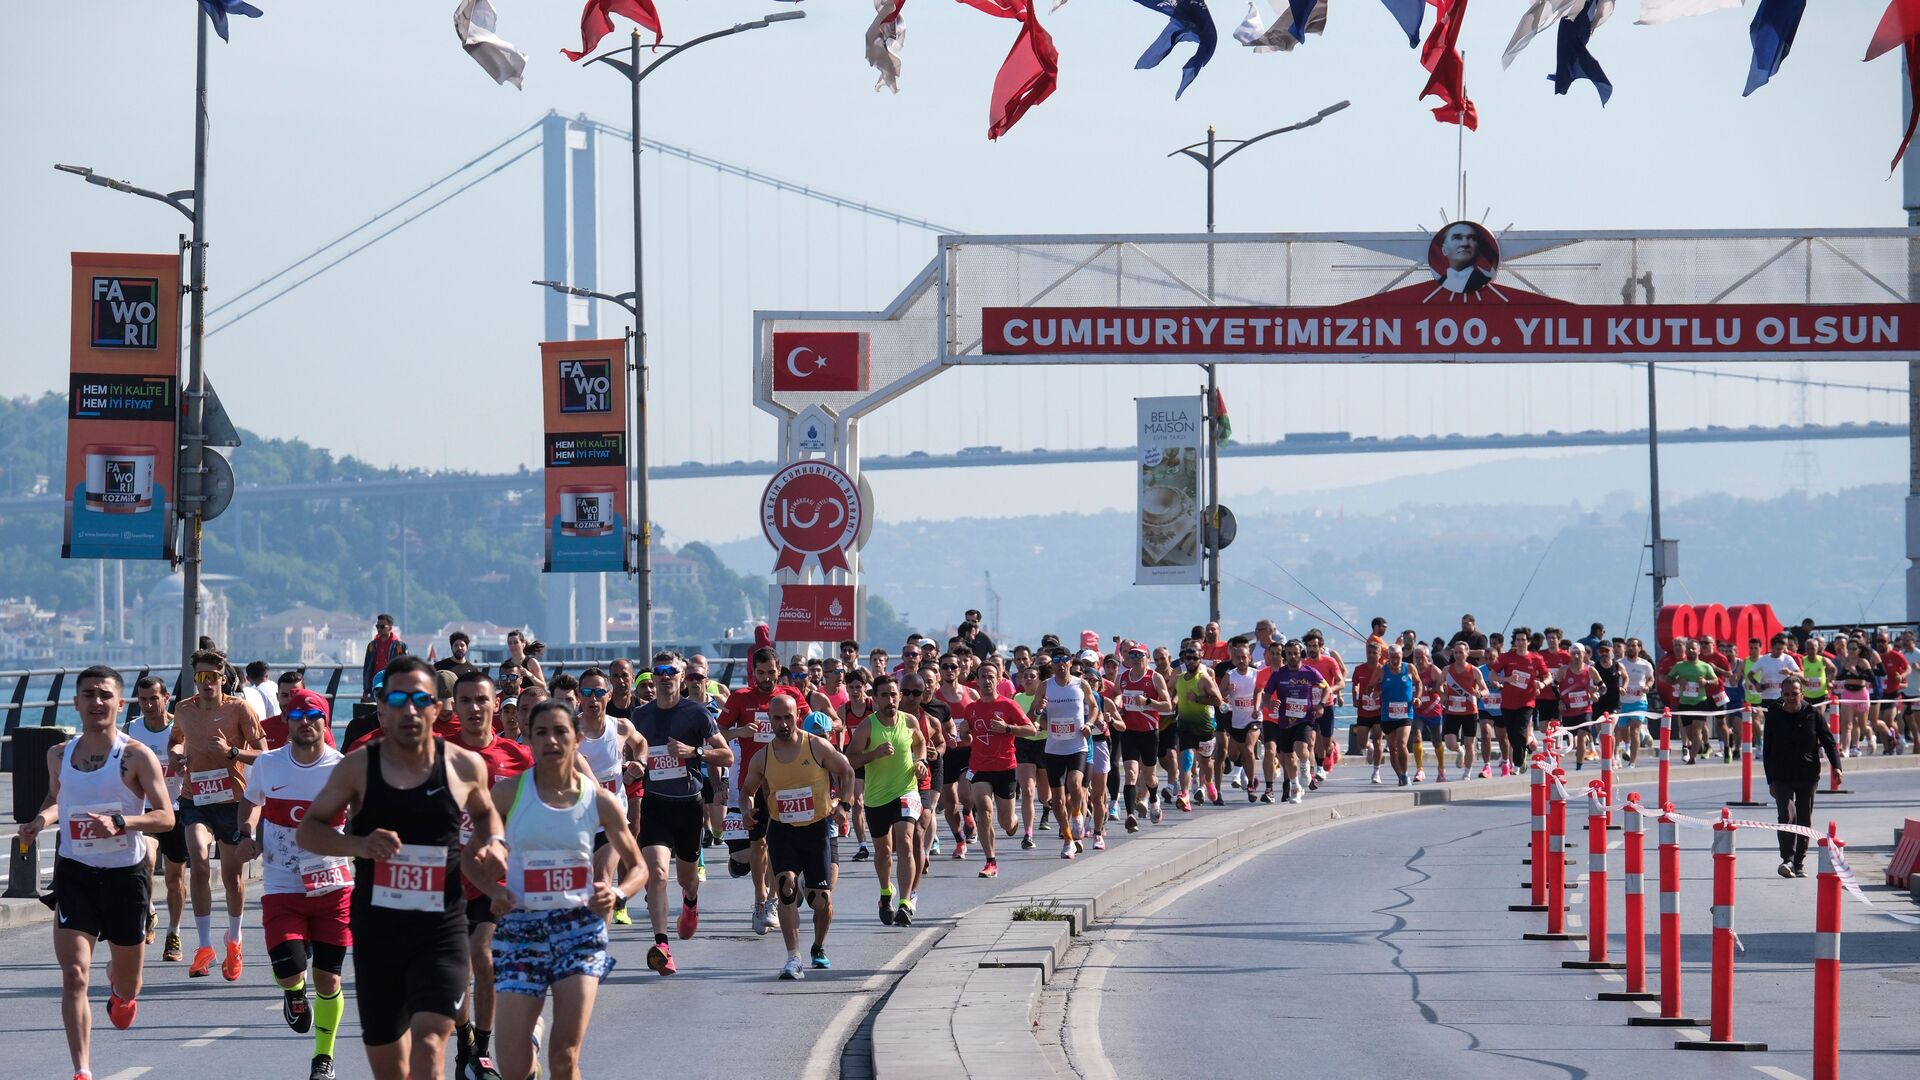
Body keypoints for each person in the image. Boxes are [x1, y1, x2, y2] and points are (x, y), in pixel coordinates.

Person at [294, 655, 509, 1080]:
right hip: (380, 930)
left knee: (430, 1044)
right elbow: (309, 831)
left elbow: (486, 814)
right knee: (391, 1067)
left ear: (436, 706)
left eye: (419, 699)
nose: (409, 709)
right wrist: (359, 844)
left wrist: (496, 843)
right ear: (382, 706)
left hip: (442, 926)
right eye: (397, 698)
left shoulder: (462, 765)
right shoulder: (358, 766)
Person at [467, 700, 641, 1080]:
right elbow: (468, 859)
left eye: (560, 731)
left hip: (579, 931)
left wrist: (619, 894)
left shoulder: (600, 800)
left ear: (577, 738)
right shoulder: (509, 793)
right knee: (513, 1068)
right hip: (520, 931)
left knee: (564, 1057)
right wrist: (492, 891)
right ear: (528, 737)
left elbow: (638, 867)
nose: (551, 740)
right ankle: (529, 1048)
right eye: (540, 732)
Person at [17, 665, 174, 1080]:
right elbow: (57, 797)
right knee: (73, 975)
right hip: (76, 874)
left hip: (125, 876)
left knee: (128, 989)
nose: (97, 701)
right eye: (88, 694)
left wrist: (124, 823)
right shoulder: (59, 754)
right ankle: (82, 1070)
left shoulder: (135, 756)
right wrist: (39, 821)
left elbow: (166, 817)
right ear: (76, 703)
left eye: (105, 695)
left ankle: (121, 990)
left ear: (120, 704)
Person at [237, 698, 350, 1080]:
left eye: (312, 717)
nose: (305, 723)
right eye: (297, 717)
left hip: (332, 884)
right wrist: (247, 833)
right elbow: (251, 802)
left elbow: (363, 814)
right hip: (283, 882)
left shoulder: (343, 768)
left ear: (324, 721)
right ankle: (293, 993)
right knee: (289, 969)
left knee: (330, 979)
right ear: (287, 721)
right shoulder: (268, 764)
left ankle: (323, 1058)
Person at [445, 671, 534, 1080]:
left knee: (482, 956)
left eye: (482, 700)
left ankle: (481, 1047)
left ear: (496, 704)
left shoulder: (517, 757)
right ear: (455, 707)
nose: (475, 708)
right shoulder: (438, 756)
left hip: (497, 880)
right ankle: (464, 1041)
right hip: (447, 875)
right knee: (455, 967)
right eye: (466, 701)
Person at [740, 694, 855, 978]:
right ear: (770, 720)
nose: (783, 724)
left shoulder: (816, 746)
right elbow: (746, 792)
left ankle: (818, 946)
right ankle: (794, 958)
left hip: (817, 830)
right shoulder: (762, 757)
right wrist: (746, 810)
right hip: (783, 830)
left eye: (788, 717)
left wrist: (844, 805)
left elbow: (847, 771)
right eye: (777, 718)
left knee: (820, 900)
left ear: (796, 717)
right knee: (786, 888)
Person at [169, 647, 266, 980]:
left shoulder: (240, 709)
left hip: (231, 801)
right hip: (194, 796)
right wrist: (178, 754)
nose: (206, 683)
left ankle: (235, 940)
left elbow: (262, 754)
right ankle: (205, 945)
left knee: (231, 879)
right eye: (200, 677)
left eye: (212, 677)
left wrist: (233, 752)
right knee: (197, 860)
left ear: (223, 679)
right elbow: (176, 741)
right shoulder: (183, 709)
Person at [631, 654, 731, 976]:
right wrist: (633, 768)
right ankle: (663, 945)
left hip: (688, 806)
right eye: (658, 672)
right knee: (658, 874)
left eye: (670, 671)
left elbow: (727, 755)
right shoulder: (640, 715)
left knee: (688, 879)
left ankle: (690, 901)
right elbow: (631, 753)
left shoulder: (697, 713)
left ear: (683, 676)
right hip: (656, 805)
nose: (664, 677)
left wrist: (695, 752)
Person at [719, 647, 810, 935]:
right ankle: (760, 899)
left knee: (779, 844)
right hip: (753, 783)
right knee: (758, 844)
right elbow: (717, 732)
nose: (766, 679)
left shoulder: (790, 696)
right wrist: (737, 733)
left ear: (778, 669)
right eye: (760, 673)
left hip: (787, 782)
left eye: (771, 672)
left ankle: (772, 899)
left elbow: (811, 727)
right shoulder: (740, 697)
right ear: (752, 672)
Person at [846, 676, 926, 925]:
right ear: (875, 700)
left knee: (905, 840)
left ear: (899, 697)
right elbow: (850, 759)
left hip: (906, 790)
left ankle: (905, 903)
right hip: (877, 797)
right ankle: (885, 893)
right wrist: (874, 754)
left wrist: (920, 761)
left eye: (894, 695)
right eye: (884, 696)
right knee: (883, 851)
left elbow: (921, 742)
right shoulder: (867, 726)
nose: (890, 700)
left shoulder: (909, 721)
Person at [124, 675, 187, 958]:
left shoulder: (179, 728)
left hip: (176, 809)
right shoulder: (131, 730)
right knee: (147, 860)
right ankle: (149, 912)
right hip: (145, 810)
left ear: (165, 699)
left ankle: (173, 933)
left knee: (175, 879)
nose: (148, 705)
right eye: (143, 699)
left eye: (154, 699)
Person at [959, 660, 1035, 877]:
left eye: (991, 676)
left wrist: (1008, 728)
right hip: (979, 767)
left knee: (1005, 821)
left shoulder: (1008, 705)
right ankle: (990, 861)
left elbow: (1030, 729)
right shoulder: (971, 709)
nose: (987, 681)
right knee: (983, 810)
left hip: (1005, 767)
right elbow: (966, 738)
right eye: (983, 676)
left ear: (999, 679)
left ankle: (1013, 825)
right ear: (978, 680)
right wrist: (964, 733)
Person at [1762, 675, 1844, 878]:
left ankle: (1799, 862)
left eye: (1795, 694)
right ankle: (1787, 860)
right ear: (1781, 695)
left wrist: (1837, 767)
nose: (1791, 698)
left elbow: (1828, 741)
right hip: (1781, 774)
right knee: (1786, 814)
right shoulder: (1774, 715)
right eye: (1787, 694)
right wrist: (1770, 780)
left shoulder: (1812, 713)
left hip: (1807, 774)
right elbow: (1767, 750)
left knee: (1804, 818)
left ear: (1802, 694)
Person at [1027, 650, 1097, 859]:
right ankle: (1068, 840)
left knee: (1075, 784)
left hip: (1077, 745)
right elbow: (1032, 715)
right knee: (1056, 801)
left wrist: (1090, 724)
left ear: (1069, 662)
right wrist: (1039, 711)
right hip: (1054, 748)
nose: (1060, 665)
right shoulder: (1046, 685)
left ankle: (1077, 814)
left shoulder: (1080, 684)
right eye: (1055, 661)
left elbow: (1094, 707)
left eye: (1063, 660)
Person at [1257, 641, 1325, 803]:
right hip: (1285, 719)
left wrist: (1321, 704)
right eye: (1289, 654)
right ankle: (1295, 787)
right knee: (1287, 757)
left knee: (1301, 747)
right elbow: (1265, 697)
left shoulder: (1310, 672)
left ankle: (1305, 767)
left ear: (1301, 654)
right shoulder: (1278, 675)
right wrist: (1269, 704)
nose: (1292, 657)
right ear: (1285, 655)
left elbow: (1326, 687)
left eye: (1295, 653)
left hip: (1305, 718)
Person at [1114, 644, 1169, 831]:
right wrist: (1118, 705)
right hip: (1129, 732)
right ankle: (1130, 815)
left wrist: (1148, 702)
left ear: (1147, 658)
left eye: (1140, 655)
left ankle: (1154, 799)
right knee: (1130, 774)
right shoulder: (1122, 678)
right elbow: (1116, 696)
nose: (1136, 658)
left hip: (1149, 732)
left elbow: (1168, 706)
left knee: (1149, 776)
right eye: (1132, 655)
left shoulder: (1154, 677)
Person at [1491, 630, 1549, 775]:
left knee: (1520, 731)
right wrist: (1507, 679)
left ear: (1528, 642)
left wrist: (1542, 685)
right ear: (1514, 642)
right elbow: (1493, 675)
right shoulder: (1506, 657)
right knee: (1511, 734)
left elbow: (1548, 676)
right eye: (1518, 640)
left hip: (1527, 702)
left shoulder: (1536, 658)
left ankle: (1517, 765)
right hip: (1508, 703)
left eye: (1523, 639)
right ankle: (1522, 754)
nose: (1521, 642)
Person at [1436, 221, 1493, 294]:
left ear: (1478, 248)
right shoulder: (1439, 283)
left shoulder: (1484, 283)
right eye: (1457, 238)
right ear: (1444, 250)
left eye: (1471, 238)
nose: (1465, 244)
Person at [360, 615, 408, 701]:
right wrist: (366, 690)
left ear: (390, 628)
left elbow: (404, 665)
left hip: (393, 686)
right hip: (375, 688)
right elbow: (367, 668)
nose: (379, 629)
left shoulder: (399, 646)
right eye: (377, 626)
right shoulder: (372, 646)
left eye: (382, 626)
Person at [242, 661, 281, 729]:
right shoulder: (275, 686)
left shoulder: (254, 691)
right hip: (280, 724)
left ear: (248, 678)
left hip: (268, 728)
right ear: (267, 675)